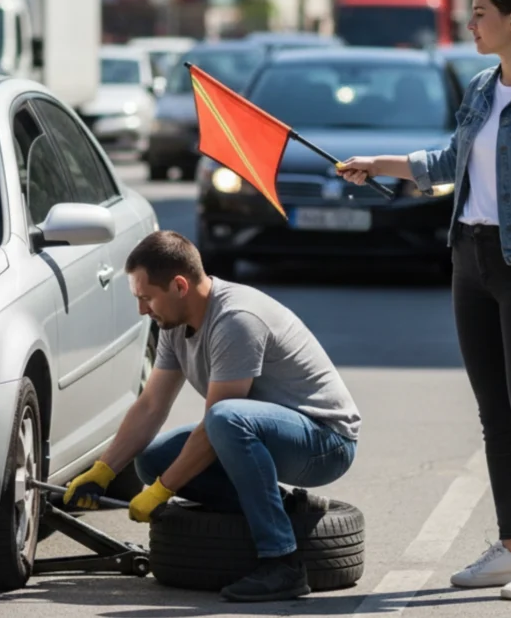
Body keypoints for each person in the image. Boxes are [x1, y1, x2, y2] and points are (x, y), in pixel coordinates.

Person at [337, 0, 511, 601]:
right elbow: (448, 162)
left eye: (479, 13)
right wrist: (381, 165)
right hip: (470, 260)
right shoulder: (480, 87)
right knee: (493, 416)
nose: (469, 22)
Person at [63, 230, 361, 603]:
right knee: (154, 458)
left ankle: (282, 563)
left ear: (179, 285)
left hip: (324, 441)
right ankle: (288, 508)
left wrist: (162, 491)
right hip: (266, 432)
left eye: (146, 298)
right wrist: (104, 471)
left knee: (225, 419)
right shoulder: (175, 322)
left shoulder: (236, 320)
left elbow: (216, 427)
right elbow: (151, 405)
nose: (142, 310)